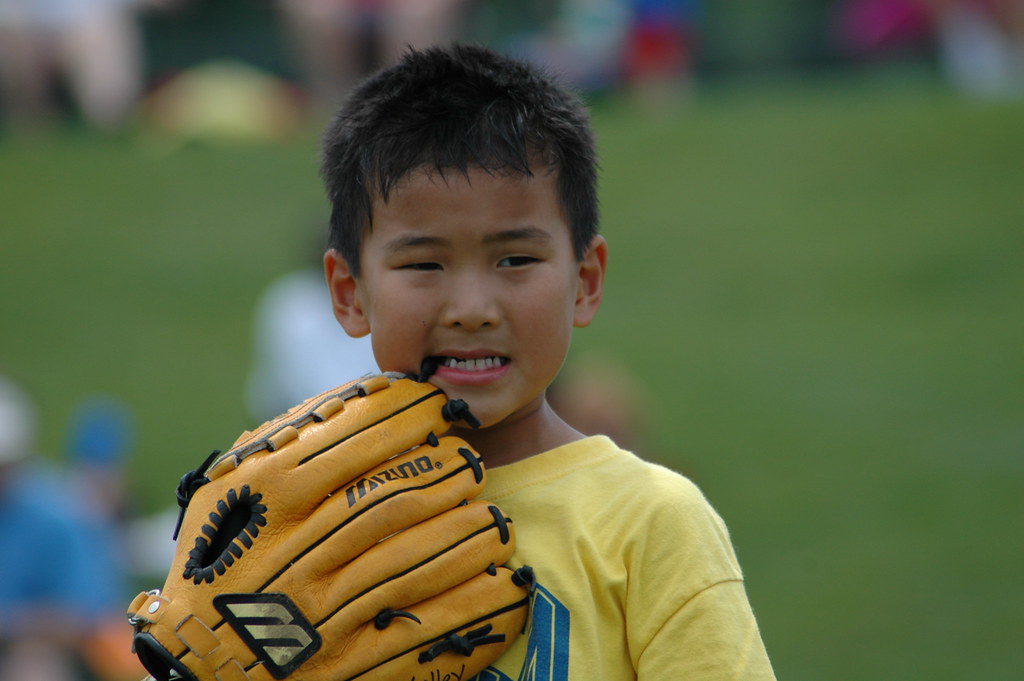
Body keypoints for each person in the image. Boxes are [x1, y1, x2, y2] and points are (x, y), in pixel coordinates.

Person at [320, 44, 775, 679]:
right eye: (423, 264)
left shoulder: (651, 524)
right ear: (350, 294)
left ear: (585, 281)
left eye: (515, 259)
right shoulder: (306, 519)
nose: (472, 309)